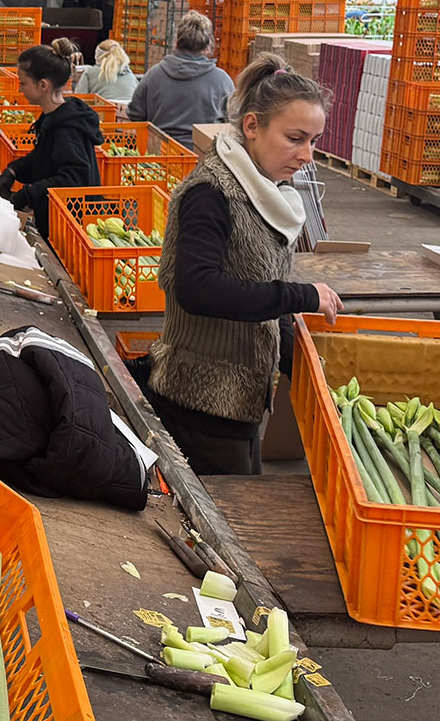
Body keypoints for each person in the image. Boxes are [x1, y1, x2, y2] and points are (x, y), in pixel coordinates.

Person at [134, 52, 344, 476]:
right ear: (251, 126)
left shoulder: (269, 195)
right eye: (295, 138)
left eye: (314, 141)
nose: (307, 155)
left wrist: (308, 374)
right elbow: (197, 288)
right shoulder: (210, 194)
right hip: (200, 405)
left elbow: (265, 296)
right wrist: (302, 296)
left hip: (243, 404)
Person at [0, 38, 104, 239]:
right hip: (54, 219)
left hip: (70, 229)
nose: (20, 89)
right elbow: (45, 157)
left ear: (43, 85)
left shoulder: (67, 130)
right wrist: (14, 170)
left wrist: (28, 194)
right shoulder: (54, 117)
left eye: (23, 83)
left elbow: (73, 180)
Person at [127, 11, 234, 150]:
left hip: (160, 157)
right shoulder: (222, 81)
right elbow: (233, 122)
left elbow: (135, 114)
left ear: (176, 41)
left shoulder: (154, 75)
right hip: (203, 157)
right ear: (208, 46)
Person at [74, 39, 139, 103]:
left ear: (97, 55)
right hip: (129, 108)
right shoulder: (130, 76)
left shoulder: (89, 73)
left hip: (103, 109)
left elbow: (78, 100)